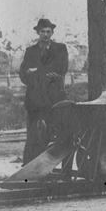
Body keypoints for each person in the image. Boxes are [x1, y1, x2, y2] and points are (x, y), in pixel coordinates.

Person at [19, 18, 68, 164]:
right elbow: (23, 73)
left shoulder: (60, 49)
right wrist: (31, 75)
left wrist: (36, 72)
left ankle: (56, 165)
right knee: (34, 134)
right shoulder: (30, 51)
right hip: (35, 99)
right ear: (37, 33)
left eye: (48, 31)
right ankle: (30, 165)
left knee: (57, 132)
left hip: (54, 98)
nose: (45, 34)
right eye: (42, 32)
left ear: (52, 32)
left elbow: (62, 68)